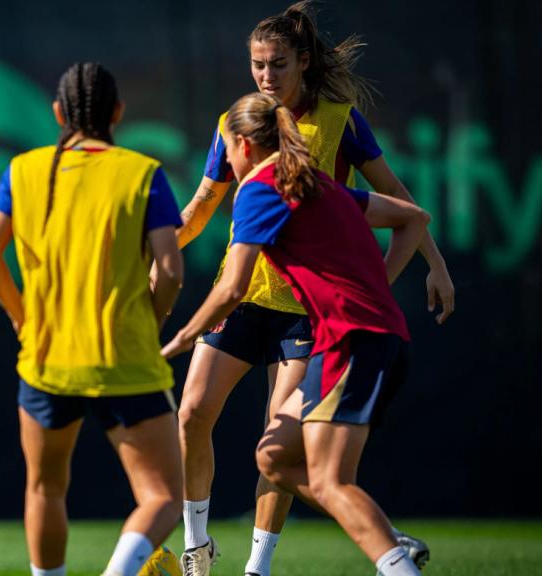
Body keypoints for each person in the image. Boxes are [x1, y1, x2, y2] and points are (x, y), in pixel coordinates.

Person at [170, 3, 449, 574]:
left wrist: (434, 266)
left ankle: (258, 567)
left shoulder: (337, 121)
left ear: (302, 62)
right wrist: (160, 249)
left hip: (309, 313)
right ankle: (197, 547)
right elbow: (201, 205)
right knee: (195, 411)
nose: (266, 76)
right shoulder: (239, 123)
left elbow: (399, 201)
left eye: (277, 64)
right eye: (256, 65)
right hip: (249, 296)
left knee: (279, 451)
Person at [0, 62, 185, 576]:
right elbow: (172, 268)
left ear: (58, 113)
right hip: (125, 360)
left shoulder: (23, 169)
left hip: (47, 362)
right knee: (163, 497)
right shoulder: (141, 172)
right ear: (117, 112)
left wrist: (22, 318)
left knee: (45, 487)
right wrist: (150, 320)